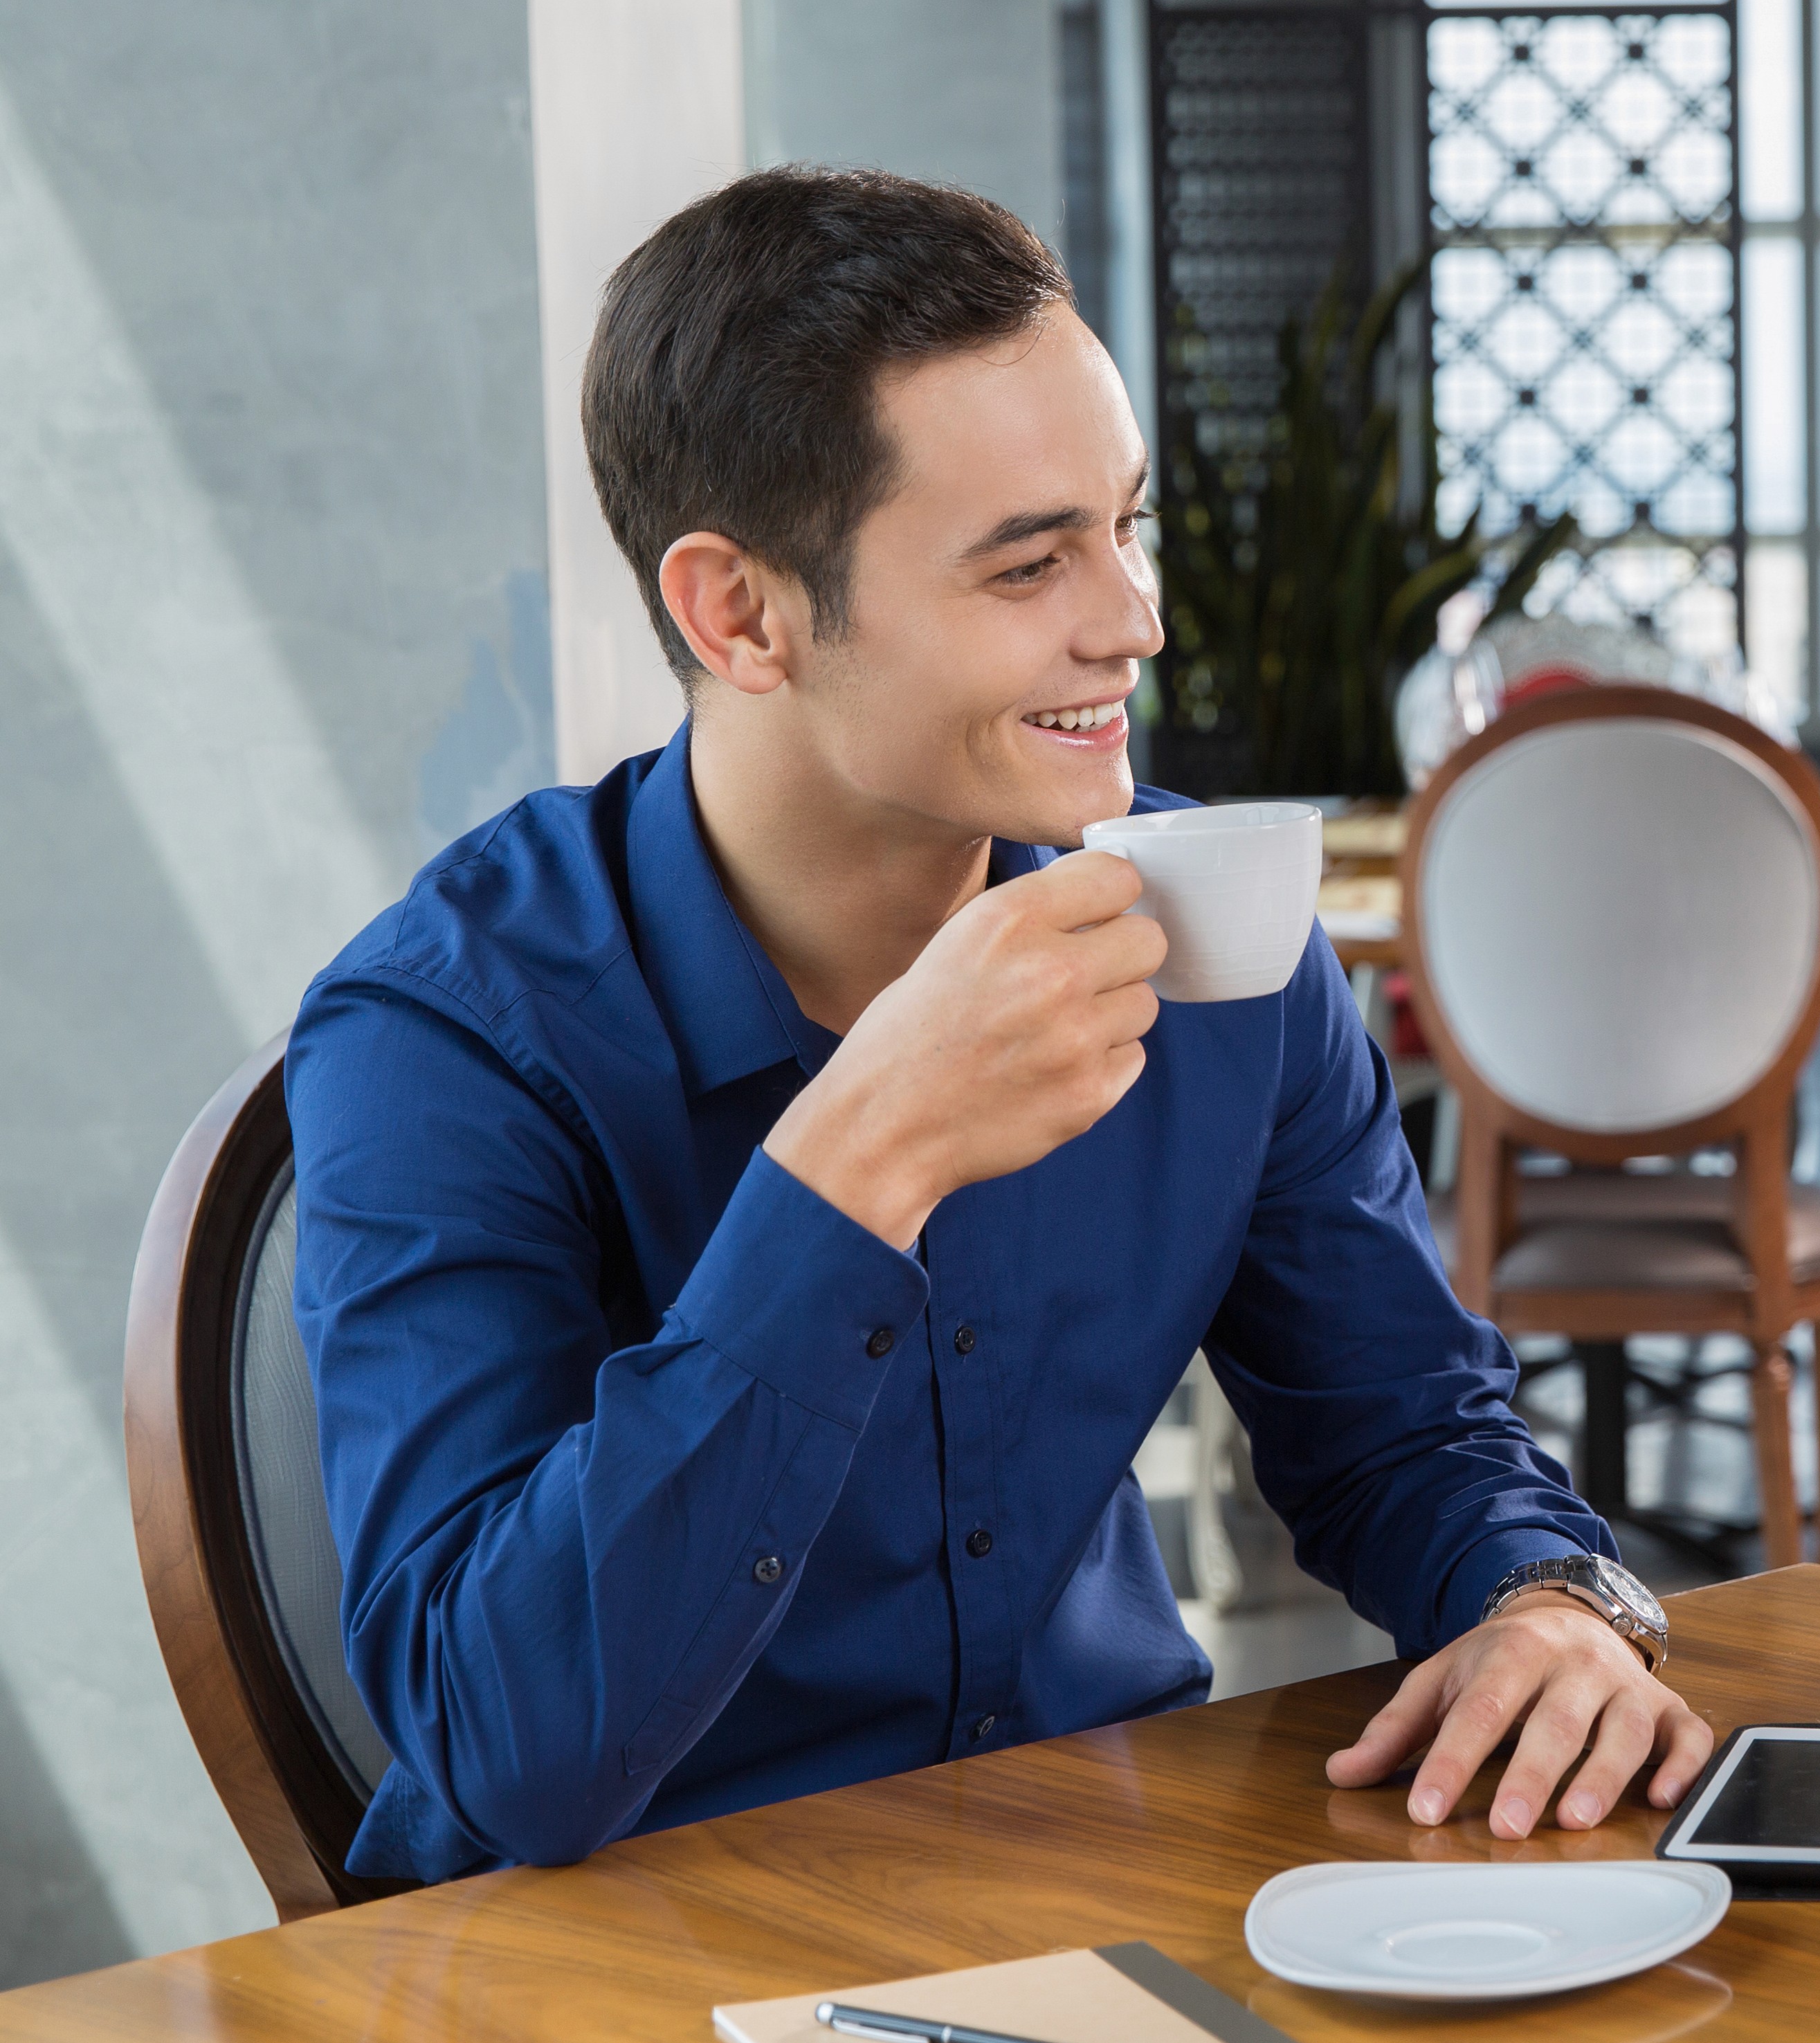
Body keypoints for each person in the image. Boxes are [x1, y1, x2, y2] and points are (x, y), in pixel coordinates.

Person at [289, 167, 1702, 1881]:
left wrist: (1544, 1604)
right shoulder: (441, 1037)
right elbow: (506, 1749)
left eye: (1127, 526)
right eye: (1030, 562)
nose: (1132, 621)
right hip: (616, 1958)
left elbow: (1407, 1432)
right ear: (740, 614)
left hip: (1088, 1889)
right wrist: (856, 1161)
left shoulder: (1211, 932)